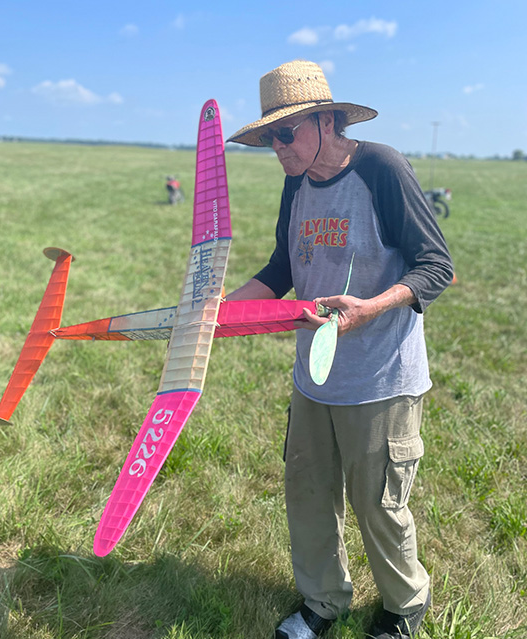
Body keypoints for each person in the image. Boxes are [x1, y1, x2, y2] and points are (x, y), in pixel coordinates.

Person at [225, 60, 453, 639]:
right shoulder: (294, 183)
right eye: (268, 138)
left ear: (327, 122)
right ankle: (322, 601)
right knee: (306, 490)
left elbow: (436, 266)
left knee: (378, 504)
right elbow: (281, 269)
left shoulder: (380, 167)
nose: (277, 148)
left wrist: (370, 307)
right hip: (314, 374)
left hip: (380, 376)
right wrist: (217, 313)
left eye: (285, 133)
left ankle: (403, 608)